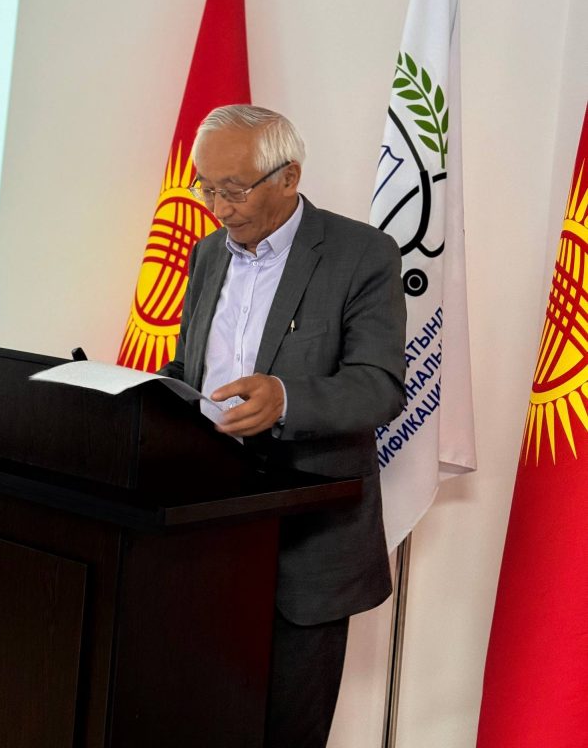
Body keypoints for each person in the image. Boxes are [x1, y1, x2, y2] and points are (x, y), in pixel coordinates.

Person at [159, 104, 406, 748]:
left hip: (307, 543)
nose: (218, 207)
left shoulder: (361, 254)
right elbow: (191, 369)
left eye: (234, 189)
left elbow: (379, 385)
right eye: (206, 188)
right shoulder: (206, 254)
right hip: (207, 533)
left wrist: (286, 399)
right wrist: (137, 392)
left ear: (289, 176)